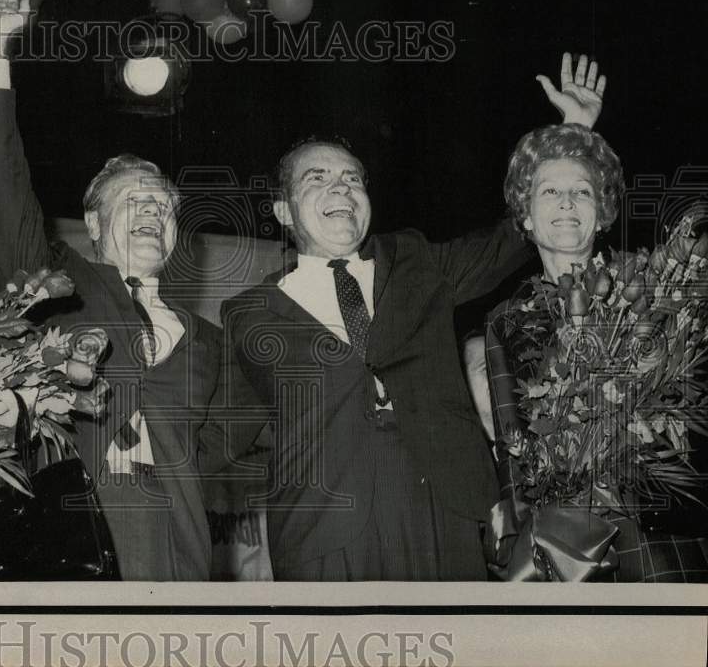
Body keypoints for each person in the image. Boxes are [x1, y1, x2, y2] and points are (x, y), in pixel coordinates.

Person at [204, 54, 606, 581]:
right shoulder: (248, 315)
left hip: (445, 515)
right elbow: (216, 439)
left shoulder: (415, 260)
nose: (340, 188)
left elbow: (510, 237)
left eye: (352, 179)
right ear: (283, 211)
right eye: (317, 179)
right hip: (324, 534)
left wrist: (572, 132)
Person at [0, 0, 219, 580]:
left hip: (184, 574)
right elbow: (2, 200)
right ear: (96, 224)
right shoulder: (58, 285)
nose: (154, 213)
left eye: (164, 207)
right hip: (78, 560)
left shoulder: (210, 341)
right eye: (134, 201)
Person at [486, 123, 708, 581]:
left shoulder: (653, 286)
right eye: (550, 191)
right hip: (562, 550)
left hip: (660, 537)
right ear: (525, 216)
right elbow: (513, 449)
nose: (566, 203)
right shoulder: (505, 321)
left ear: (602, 213)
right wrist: (525, 540)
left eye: (581, 192)